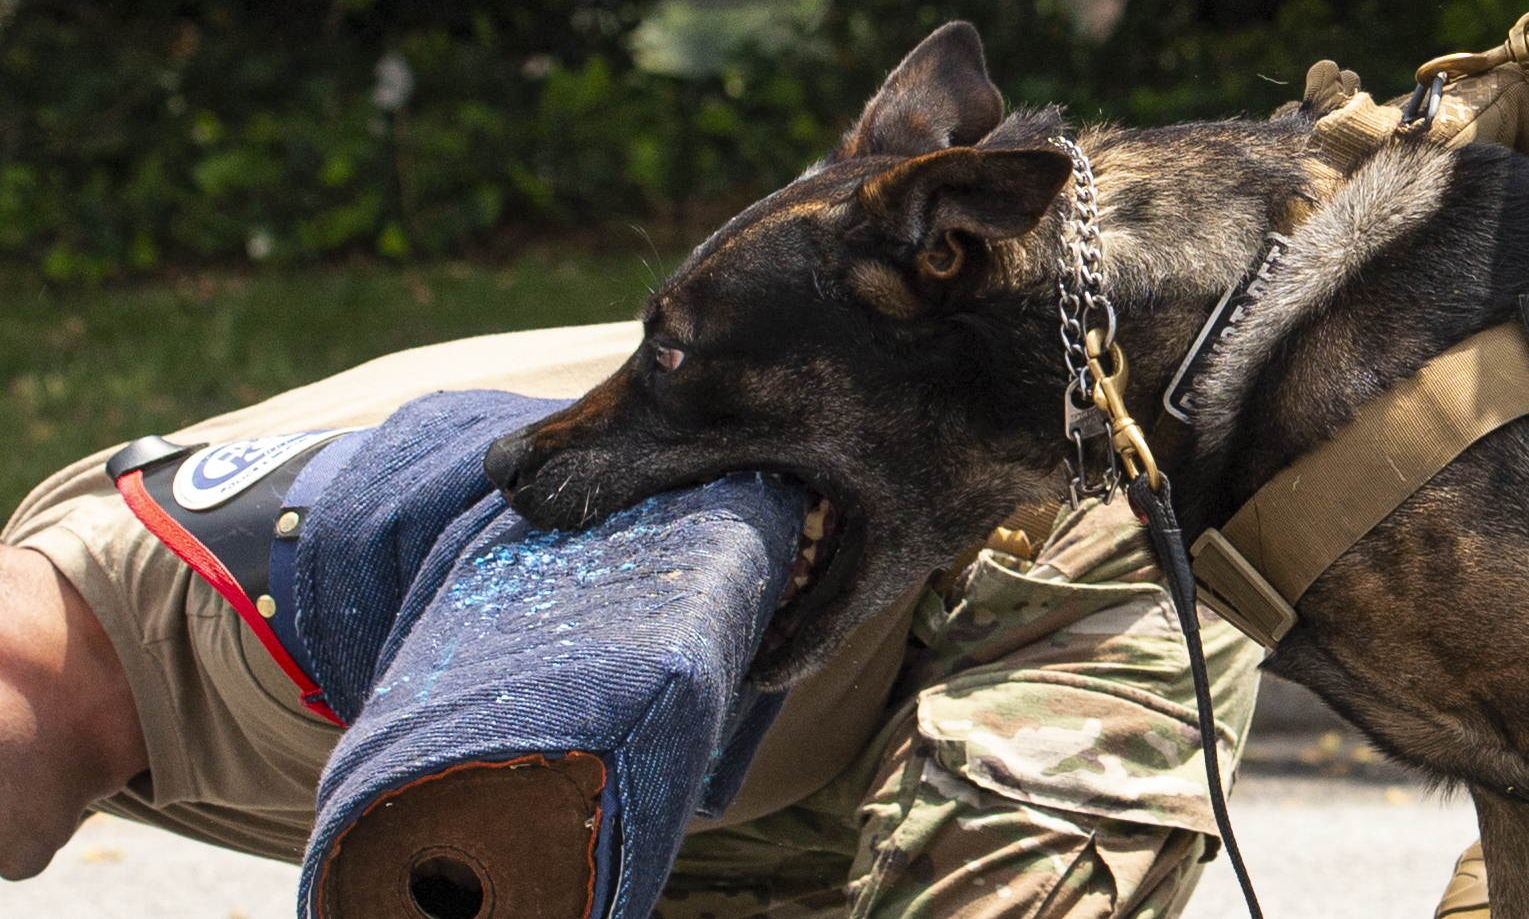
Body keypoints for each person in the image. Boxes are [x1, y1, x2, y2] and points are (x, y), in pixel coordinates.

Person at [0, 315, 1267, 918]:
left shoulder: (282, 562)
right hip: (769, 745)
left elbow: (713, 485)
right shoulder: (85, 696)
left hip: (1047, 537)